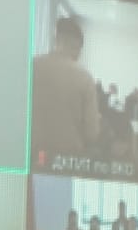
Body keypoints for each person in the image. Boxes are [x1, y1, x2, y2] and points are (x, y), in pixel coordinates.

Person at [31, 15, 102, 156]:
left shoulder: (30, 67)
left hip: (30, 156)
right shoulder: (85, 78)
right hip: (66, 159)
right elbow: (92, 134)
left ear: (56, 40)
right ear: (78, 47)